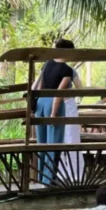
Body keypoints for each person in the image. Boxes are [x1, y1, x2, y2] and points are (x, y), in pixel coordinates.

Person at [32, 39, 74, 184]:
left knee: (42, 143)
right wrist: (54, 113)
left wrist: (34, 104)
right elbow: (59, 92)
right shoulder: (67, 70)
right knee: (54, 144)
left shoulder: (47, 63)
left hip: (40, 102)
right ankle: (49, 180)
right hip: (53, 104)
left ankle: (40, 177)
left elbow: (39, 85)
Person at [56, 40, 84, 183]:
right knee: (69, 138)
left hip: (61, 105)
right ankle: (74, 174)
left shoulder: (48, 67)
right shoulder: (68, 70)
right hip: (66, 104)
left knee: (64, 138)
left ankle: (64, 173)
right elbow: (81, 88)